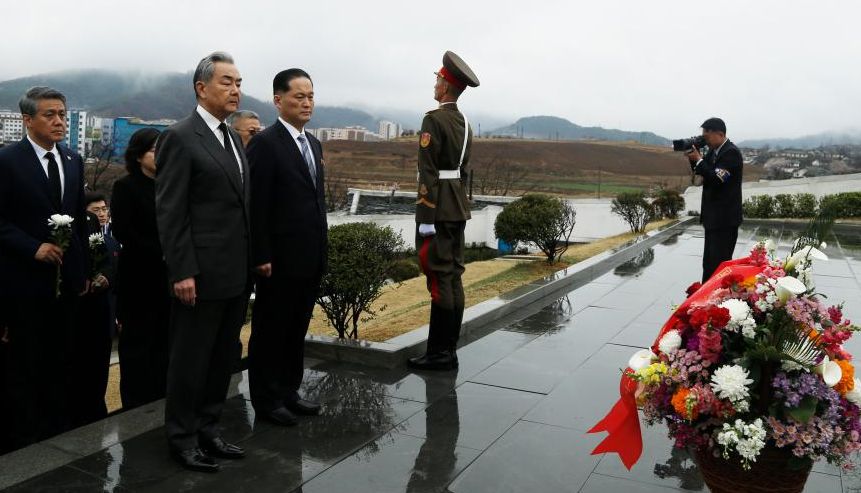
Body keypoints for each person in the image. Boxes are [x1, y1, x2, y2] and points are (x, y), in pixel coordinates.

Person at [155, 52, 251, 472]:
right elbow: (171, 211)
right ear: (201, 88)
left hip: (235, 272)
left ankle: (210, 429)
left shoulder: (232, 137)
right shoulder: (180, 136)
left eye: (238, 82)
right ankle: (182, 437)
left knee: (220, 359)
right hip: (200, 274)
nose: (235, 89)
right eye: (227, 82)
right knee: (190, 361)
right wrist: (182, 271)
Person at [0, 86, 89, 449]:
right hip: (23, 281)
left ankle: (57, 428)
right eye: (50, 114)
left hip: (65, 283)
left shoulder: (72, 159)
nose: (59, 121)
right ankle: (24, 436)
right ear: (27, 119)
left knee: (61, 357)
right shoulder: (7, 160)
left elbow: (80, 223)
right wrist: (32, 247)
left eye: (63, 114)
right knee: (26, 361)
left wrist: (81, 271)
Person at [247, 68, 326, 426]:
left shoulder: (314, 143)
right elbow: (256, 204)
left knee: (296, 328)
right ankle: (266, 398)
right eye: (299, 96)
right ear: (278, 100)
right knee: (271, 329)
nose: (307, 102)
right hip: (277, 260)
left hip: (309, 256)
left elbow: (315, 201)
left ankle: (289, 390)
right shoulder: (265, 144)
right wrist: (260, 254)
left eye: (310, 96)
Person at [407, 51, 480, 372]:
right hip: (457, 206)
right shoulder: (464, 122)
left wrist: (424, 218)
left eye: (438, 80)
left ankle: (439, 353)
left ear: (447, 86)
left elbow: (428, 172)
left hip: (436, 210)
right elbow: (462, 171)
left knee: (438, 278)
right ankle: (448, 350)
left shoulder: (433, 120)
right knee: (453, 277)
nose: (435, 84)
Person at [111, 127, 171, 410]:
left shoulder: (171, 184)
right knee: (137, 345)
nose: (160, 155)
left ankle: (161, 399)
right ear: (138, 155)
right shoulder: (125, 187)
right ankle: (134, 407)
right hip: (138, 277)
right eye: (154, 150)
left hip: (170, 278)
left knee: (164, 343)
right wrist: (164, 251)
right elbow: (125, 232)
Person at [69, 192, 116, 427]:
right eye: (95, 210)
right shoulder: (71, 224)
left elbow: (105, 261)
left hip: (100, 310)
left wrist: (105, 276)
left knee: (98, 370)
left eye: (104, 209)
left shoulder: (93, 227)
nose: (101, 214)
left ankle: (96, 413)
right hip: (78, 311)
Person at [685, 117, 743, 283]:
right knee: (709, 264)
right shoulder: (713, 152)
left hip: (725, 220)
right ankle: (706, 301)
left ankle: (718, 301)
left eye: (707, 136)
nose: (705, 140)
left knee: (719, 265)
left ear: (720, 134)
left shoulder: (731, 153)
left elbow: (717, 179)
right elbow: (703, 175)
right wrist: (693, 160)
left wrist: (699, 160)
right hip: (713, 218)